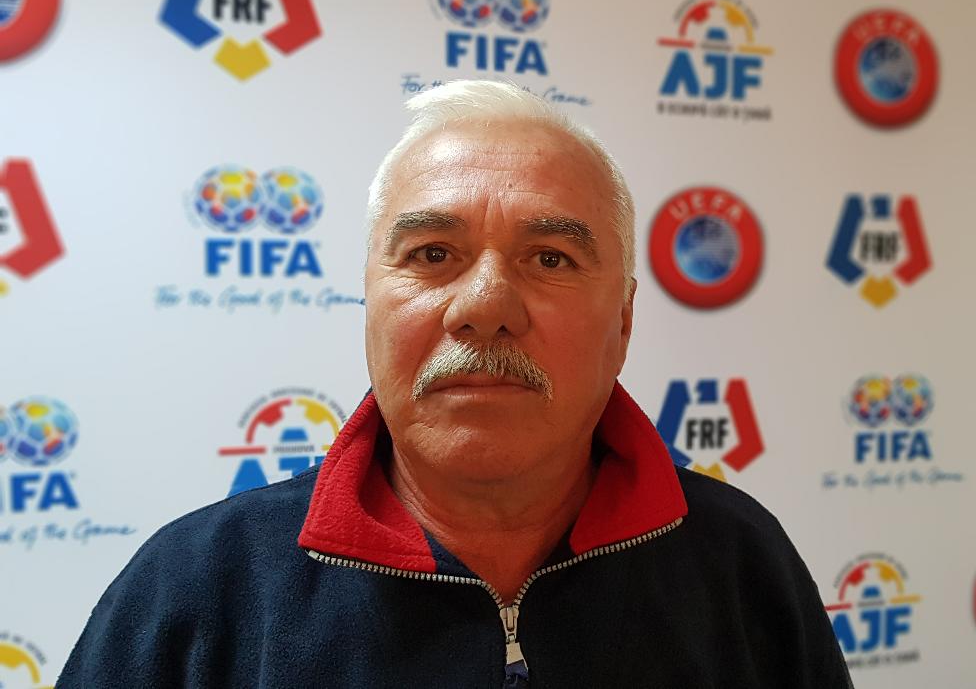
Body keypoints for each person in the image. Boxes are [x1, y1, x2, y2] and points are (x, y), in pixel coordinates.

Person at [58, 81, 852, 688]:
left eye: (550, 258)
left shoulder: (741, 567)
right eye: (433, 255)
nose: (486, 307)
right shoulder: (195, 591)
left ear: (624, 322)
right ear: (370, 303)